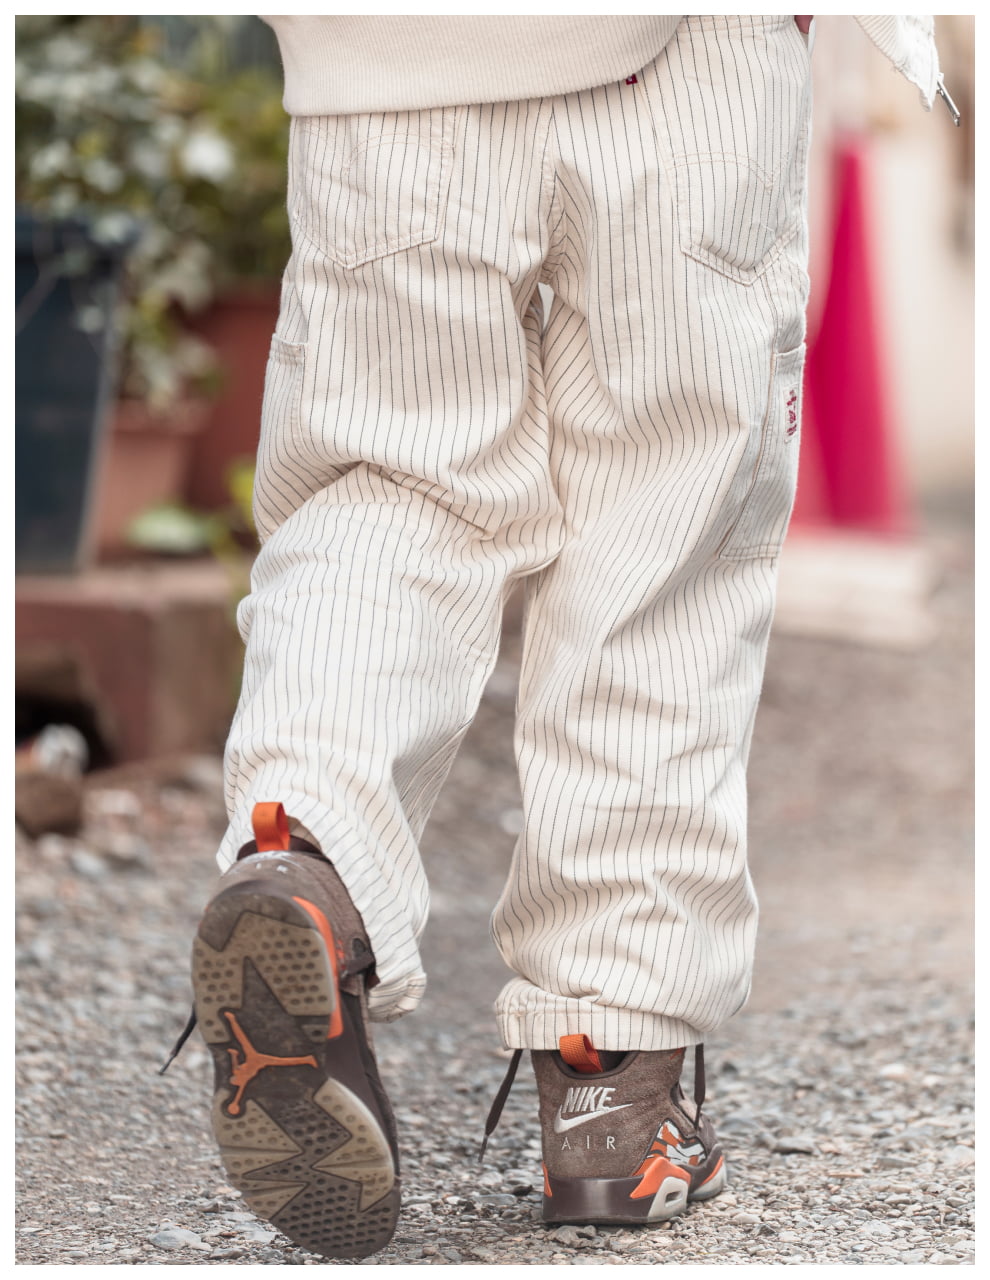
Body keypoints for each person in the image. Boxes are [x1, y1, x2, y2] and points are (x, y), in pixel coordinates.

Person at [182, 14, 948, 1260]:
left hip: (392, 62)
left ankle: (305, 850)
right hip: (681, 62)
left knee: (389, 488)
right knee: (662, 540)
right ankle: (610, 1095)